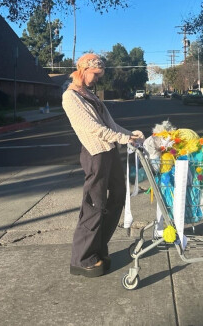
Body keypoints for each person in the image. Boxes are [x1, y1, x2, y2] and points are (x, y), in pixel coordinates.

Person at [62, 53, 144, 278]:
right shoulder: (70, 97)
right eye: (95, 74)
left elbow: (110, 124)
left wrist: (131, 135)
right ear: (82, 69)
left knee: (118, 194)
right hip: (94, 154)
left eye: (100, 75)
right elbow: (94, 128)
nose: (97, 78)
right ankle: (82, 258)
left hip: (109, 152)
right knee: (94, 204)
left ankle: (99, 247)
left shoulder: (90, 95)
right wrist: (125, 139)